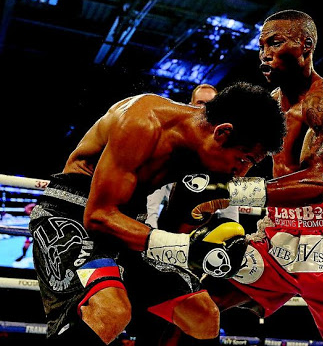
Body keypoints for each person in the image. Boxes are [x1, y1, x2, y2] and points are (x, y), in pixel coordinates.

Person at [171, 9, 323, 345]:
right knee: (194, 299)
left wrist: (228, 191)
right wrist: (205, 179)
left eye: (274, 43)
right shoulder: (272, 103)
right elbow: (245, 159)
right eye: (261, 46)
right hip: (278, 234)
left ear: (306, 45)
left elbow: (319, 182)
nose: (264, 54)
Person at [27, 81, 286, 346]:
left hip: (129, 223)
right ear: (222, 133)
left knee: (202, 314)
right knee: (111, 311)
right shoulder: (141, 122)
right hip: (73, 212)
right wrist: (186, 247)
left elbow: (175, 228)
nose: (242, 172)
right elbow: (98, 216)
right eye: (243, 159)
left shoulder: (206, 159)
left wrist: (202, 229)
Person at [145, 83, 238, 230]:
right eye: (200, 103)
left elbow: (228, 191)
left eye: (211, 104)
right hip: (168, 224)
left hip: (205, 227)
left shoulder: (225, 148)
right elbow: (156, 186)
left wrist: (231, 227)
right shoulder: (174, 138)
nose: (205, 108)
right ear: (190, 105)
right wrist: (150, 226)